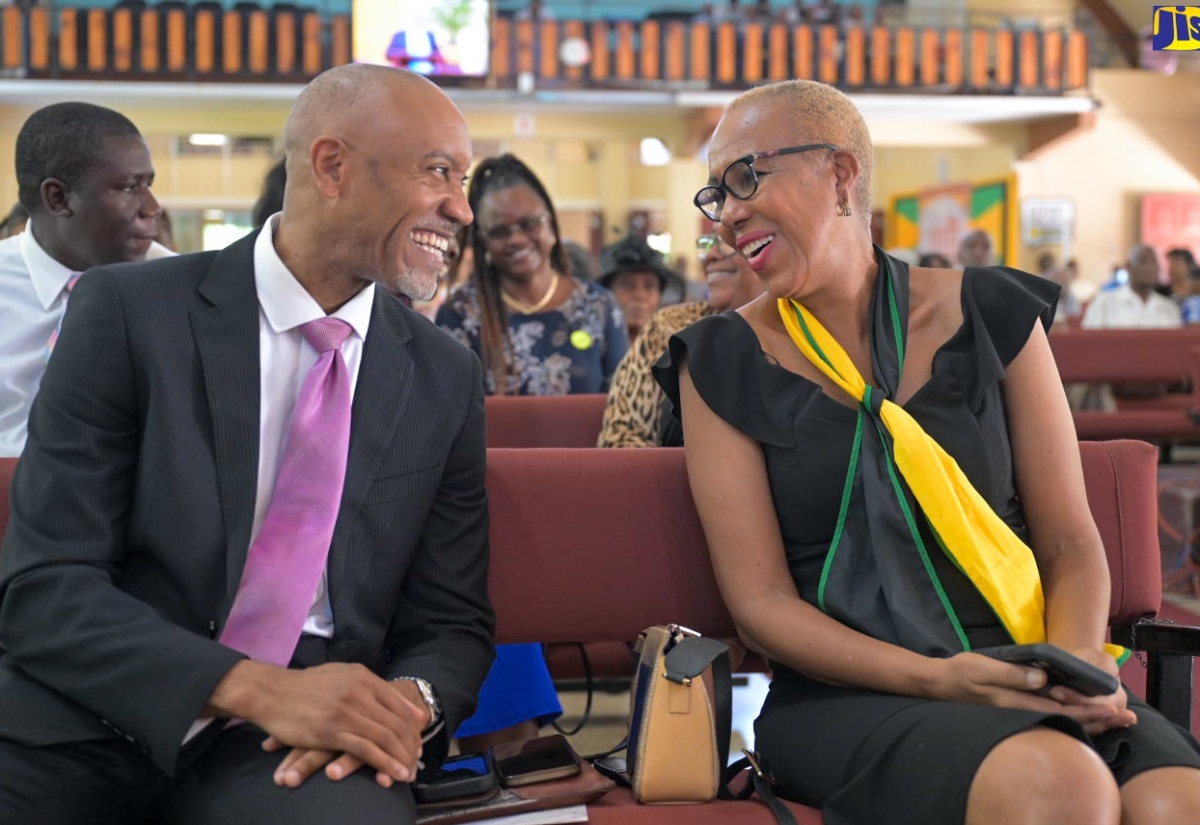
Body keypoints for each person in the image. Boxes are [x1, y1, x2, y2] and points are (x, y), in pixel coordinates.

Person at [654, 79, 1200, 825]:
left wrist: (1077, 671)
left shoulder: (991, 313)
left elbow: (1070, 538)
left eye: (747, 176)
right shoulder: (720, 358)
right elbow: (762, 605)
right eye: (716, 194)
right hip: (850, 692)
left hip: (1029, 658)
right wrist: (946, 680)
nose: (728, 213)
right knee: (1061, 785)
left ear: (841, 174)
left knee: (1178, 801)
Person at [0, 64, 494, 823]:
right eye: (438, 172)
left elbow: (451, 621)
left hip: (298, 743)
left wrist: (403, 704)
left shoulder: (443, 376)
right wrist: (260, 688)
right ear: (331, 166)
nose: (461, 207)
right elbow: (46, 587)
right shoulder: (132, 313)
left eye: (463, 179)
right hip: (93, 705)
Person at [0, 101, 173, 458]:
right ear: (58, 198)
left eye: (149, 184)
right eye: (130, 187)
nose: (152, 206)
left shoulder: (176, 289)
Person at [436, 153, 628, 396]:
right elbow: (447, 413)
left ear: (550, 220)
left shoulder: (599, 306)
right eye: (499, 232)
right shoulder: (461, 313)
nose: (516, 239)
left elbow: (622, 409)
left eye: (529, 224)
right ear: (483, 240)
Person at [598, 232, 762, 447]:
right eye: (707, 243)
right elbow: (622, 438)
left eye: (725, 242)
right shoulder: (670, 327)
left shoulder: (802, 328)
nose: (710, 255)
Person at [1082, 243, 1181, 329]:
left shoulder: (1169, 309)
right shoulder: (1104, 304)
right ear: (1129, 267)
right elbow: (1089, 344)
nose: (1150, 267)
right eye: (1143, 261)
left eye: (1154, 262)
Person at [598, 234, 672, 343]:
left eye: (649, 286)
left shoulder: (673, 352)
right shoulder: (593, 351)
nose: (639, 295)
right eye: (628, 286)